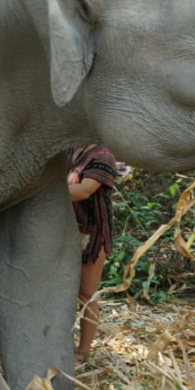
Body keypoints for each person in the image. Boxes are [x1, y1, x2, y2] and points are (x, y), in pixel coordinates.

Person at [67, 143, 123, 365]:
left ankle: (83, 351)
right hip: (66, 232)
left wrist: (44, 194)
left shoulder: (103, 156)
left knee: (86, 295)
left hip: (92, 236)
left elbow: (84, 190)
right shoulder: (72, 150)